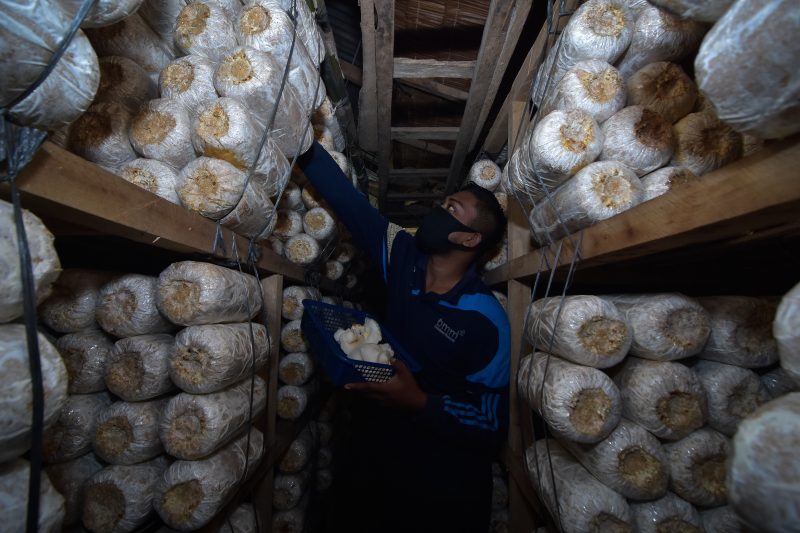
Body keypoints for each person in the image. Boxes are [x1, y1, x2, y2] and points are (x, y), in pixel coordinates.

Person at [298, 142, 510, 533]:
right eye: (442, 203)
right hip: (386, 454)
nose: (437, 211)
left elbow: (491, 421)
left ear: (468, 239)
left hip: (445, 480)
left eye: (451, 210)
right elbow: (351, 204)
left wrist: (419, 401)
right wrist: (302, 145)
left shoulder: (485, 320)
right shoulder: (404, 255)